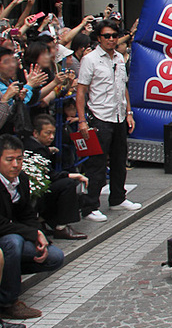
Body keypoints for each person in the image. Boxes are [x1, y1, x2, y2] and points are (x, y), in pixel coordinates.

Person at [75, 20, 141, 222]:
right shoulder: (91, 60)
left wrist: (129, 112)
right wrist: (82, 121)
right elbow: (81, 91)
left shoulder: (120, 58)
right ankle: (90, 206)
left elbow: (123, 88)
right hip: (100, 117)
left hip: (119, 115)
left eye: (114, 35)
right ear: (98, 38)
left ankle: (118, 198)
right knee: (97, 163)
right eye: (107, 36)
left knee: (120, 159)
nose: (111, 39)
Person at [0, 134, 64, 320]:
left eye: (19, 159)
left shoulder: (21, 179)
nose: (15, 165)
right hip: (6, 237)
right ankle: (8, 302)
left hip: (14, 234)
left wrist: (39, 235)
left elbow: (27, 214)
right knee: (13, 242)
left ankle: (8, 277)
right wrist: (32, 232)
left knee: (54, 256)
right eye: (9, 160)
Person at [23, 115, 87, 240]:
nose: (51, 137)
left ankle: (43, 220)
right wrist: (72, 175)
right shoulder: (36, 149)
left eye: (53, 133)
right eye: (47, 133)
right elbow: (50, 175)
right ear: (36, 133)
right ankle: (61, 227)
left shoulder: (33, 145)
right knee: (68, 184)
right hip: (34, 192)